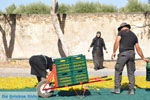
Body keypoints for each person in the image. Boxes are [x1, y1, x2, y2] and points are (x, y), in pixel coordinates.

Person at [111, 23, 150, 94]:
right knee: (131, 72)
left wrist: (114, 52)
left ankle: (117, 89)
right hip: (132, 54)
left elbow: (117, 42)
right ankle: (131, 90)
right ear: (128, 27)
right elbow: (138, 48)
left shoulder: (121, 32)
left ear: (121, 28)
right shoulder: (133, 35)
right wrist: (143, 57)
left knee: (118, 70)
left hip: (123, 54)